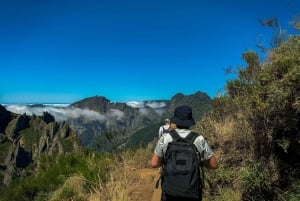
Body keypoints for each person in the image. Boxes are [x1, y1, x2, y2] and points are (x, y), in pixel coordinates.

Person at [150, 105, 218, 201]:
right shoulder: (199, 139)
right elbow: (214, 165)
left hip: (170, 192)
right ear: (189, 121)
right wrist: (199, 162)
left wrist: (167, 161)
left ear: (175, 121)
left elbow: (154, 163)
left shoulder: (165, 138)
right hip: (191, 192)